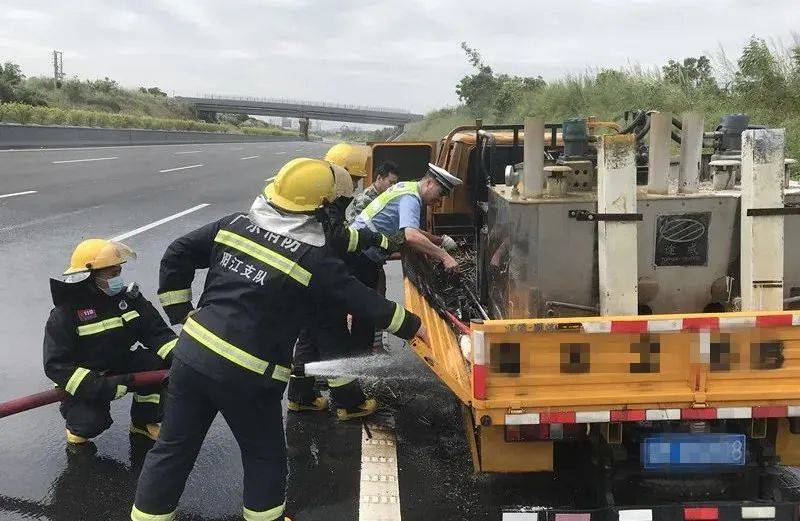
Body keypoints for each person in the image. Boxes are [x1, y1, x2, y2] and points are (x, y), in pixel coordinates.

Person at [131, 158, 426, 521]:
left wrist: (182, 315)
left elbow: (177, 252)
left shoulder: (233, 225)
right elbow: (360, 299)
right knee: (264, 457)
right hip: (248, 376)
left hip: (191, 358)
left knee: (171, 450)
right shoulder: (311, 259)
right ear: (323, 208)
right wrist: (413, 326)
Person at [43, 239, 176, 448]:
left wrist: (183, 358)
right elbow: (56, 366)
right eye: (112, 275)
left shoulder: (128, 300)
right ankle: (76, 431)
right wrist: (101, 387)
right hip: (84, 376)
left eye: (119, 272)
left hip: (118, 362)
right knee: (90, 423)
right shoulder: (65, 313)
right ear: (90, 277)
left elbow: (157, 333)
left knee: (158, 363)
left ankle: (143, 421)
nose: (118, 279)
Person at [348, 163, 461, 353]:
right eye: (440, 194)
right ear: (429, 183)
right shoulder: (411, 198)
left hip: (362, 253)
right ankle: (359, 356)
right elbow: (411, 236)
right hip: (361, 255)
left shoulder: (406, 188)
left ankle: (362, 353)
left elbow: (412, 230)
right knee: (365, 310)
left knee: (365, 308)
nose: (439, 200)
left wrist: (439, 241)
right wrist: (444, 256)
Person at [345, 160, 400, 225]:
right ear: (379, 178)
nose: (393, 186)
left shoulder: (387, 197)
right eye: (390, 182)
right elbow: (355, 226)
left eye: (395, 183)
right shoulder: (364, 199)